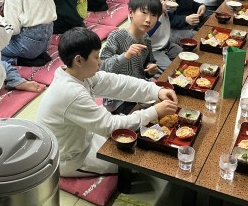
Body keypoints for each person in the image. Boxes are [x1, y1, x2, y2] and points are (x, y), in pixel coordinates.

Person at [36, 27, 178, 177]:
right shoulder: (70, 92)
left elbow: (118, 83)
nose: (100, 62)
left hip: (87, 137)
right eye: (96, 57)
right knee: (140, 163)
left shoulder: (77, 73)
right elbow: (110, 126)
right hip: (70, 158)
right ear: (79, 60)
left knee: (139, 139)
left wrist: (156, 90)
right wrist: (154, 111)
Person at [100, 0, 161, 114]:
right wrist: (126, 56)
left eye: (154, 15)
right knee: (151, 113)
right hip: (118, 97)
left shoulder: (146, 39)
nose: (148, 20)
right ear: (130, 12)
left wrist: (150, 69)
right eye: (144, 13)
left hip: (138, 89)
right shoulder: (117, 36)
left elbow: (148, 64)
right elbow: (103, 67)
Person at [142, 0, 182, 71]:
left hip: (167, 44)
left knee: (188, 58)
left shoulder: (159, 0)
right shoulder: (142, 7)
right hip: (153, 50)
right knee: (170, 72)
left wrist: (169, 10)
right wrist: (159, 14)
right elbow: (144, 35)